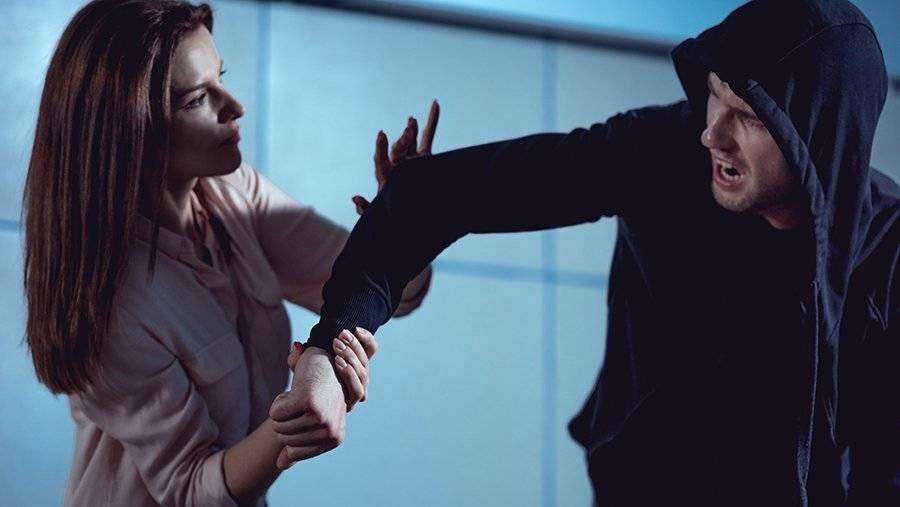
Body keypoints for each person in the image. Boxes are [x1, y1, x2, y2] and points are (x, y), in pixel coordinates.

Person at [270, 0, 898, 505]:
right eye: (715, 95)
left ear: (819, 133)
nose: (714, 133)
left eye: (751, 117)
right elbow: (433, 199)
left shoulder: (889, 247)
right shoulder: (664, 150)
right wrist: (325, 356)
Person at [21, 1, 431, 506]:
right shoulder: (108, 302)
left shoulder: (234, 192)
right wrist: (298, 418)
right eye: (197, 98)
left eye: (222, 78)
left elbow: (397, 291)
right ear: (128, 128)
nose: (235, 106)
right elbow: (191, 491)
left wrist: (405, 216)